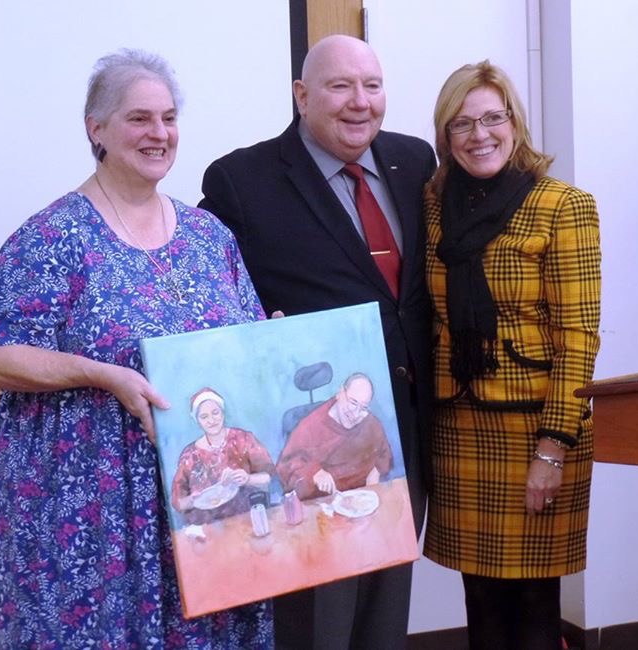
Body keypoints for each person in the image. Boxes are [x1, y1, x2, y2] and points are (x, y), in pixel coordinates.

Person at [0, 48, 273, 649]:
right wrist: (102, 373)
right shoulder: (53, 237)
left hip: (198, 507)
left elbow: (243, 341)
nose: (158, 133)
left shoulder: (211, 238)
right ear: (97, 130)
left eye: (168, 118)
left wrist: (268, 344)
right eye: (139, 119)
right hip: (83, 504)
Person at [199, 33, 436, 650]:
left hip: (404, 430)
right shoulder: (240, 180)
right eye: (340, 86)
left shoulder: (415, 163)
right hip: (315, 444)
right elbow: (203, 289)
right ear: (302, 96)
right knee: (318, 623)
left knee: (386, 615)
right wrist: (255, 327)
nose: (360, 103)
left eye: (373, 86)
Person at [422, 59, 601, 650]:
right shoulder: (431, 204)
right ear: (445, 135)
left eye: (493, 118)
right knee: (481, 599)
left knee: (532, 604)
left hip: (538, 432)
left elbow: (578, 337)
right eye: (462, 124)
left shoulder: (562, 205)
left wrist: (553, 448)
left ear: (515, 123)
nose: (480, 135)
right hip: (459, 426)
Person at [276, 373, 393, 500]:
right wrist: (314, 473)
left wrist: (374, 476)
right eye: (353, 403)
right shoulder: (310, 426)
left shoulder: (371, 424)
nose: (355, 414)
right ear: (340, 393)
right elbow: (286, 467)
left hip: (360, 498)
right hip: (323, 503)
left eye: (363, 407)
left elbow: (383, 454)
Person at [171, 387, 275, 524]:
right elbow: (178, 503)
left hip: (247, 517)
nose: (211, 420)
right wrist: (193, 500)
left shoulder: (243, 439)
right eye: (204, 417)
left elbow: (268, 477)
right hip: (208, 526)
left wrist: (248, 479)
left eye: (215, 413)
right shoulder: (189, 456)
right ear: (197, 420)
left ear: (223, 413)